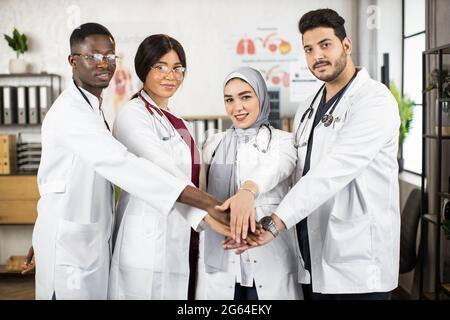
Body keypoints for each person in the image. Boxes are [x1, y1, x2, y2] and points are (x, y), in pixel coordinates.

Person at [31, 23, 230, 300]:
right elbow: (124, 165)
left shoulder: (93, 108)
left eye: (110, 57)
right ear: (73, 61)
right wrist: (208, 204)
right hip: (72, 247)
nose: (104, 64)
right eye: (94, 56)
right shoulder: (73, 112)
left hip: (90, 239)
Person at [224, 9, 401, 300]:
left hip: (358, 262)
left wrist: (275, 222)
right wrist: (250, 189)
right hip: (313, 257)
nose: (317, 55)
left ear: (346, 45)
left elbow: (331, 171)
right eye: (309, 49)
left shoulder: (374, 101)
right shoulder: (308, 106)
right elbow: (290, 161)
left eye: (325, 45)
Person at [107, 35, 258, 300]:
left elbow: (196, 178)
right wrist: (212, 216)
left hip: (182, 239)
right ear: (144, 68)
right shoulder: (133, 116)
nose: (171, 75)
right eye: (160, 67)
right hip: (147, 242)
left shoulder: (181, 125)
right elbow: (164, 174)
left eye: (178, 68)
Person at [195, 67, 306, 300]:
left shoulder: (283, 142)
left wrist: (248, 191)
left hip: (269, 261)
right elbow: (201, 197)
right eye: (229, 100)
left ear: (261, 97)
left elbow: (275, 167)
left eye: (246, 97)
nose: (237, 107)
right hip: (221, 265)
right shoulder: (213, 145)